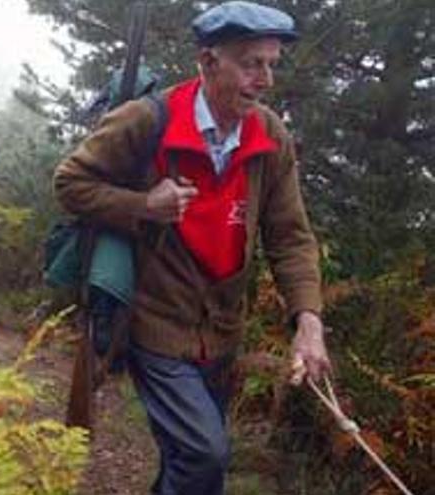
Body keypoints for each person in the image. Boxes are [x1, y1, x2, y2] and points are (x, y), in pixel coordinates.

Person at [53, 2, 331, 493]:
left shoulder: (270, 137)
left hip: (222, 332)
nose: (265, 79)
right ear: (207, 61)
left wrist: (308, 321)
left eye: (272, 65)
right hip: (153, 321)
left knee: (185, 459)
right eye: (251, 64)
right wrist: (142, 204)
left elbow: (289, 236)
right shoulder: (148, 119)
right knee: (207, 454)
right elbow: (71, 183)